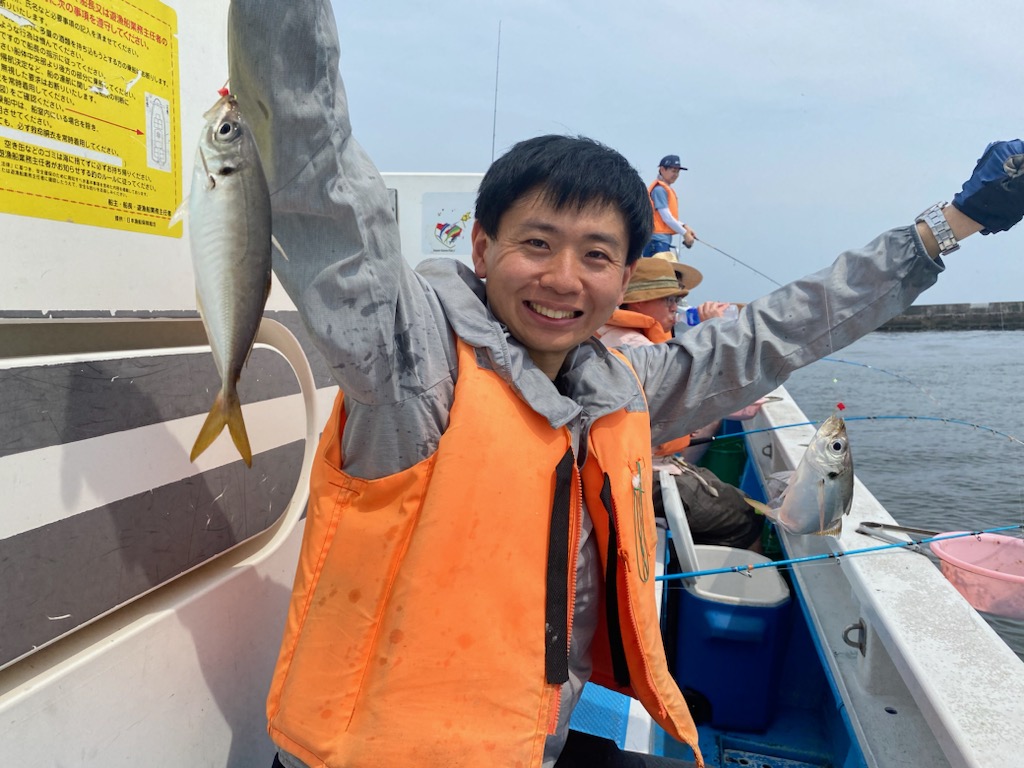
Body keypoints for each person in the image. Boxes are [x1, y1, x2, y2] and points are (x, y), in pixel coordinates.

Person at [228, 2, 1023, 766]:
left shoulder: (618, 385)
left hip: (529, 743)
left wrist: (945, 227)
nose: (563, 278)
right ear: (481, 247)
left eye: (597, 256)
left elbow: (774, 332)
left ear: (624, 275)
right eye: (537, 243)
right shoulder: (409, 363)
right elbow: (317, 170)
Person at [597, 260, 765, 551]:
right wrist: (712, 327)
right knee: (748, 516)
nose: (676, 307)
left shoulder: (610, 334)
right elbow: (695, 392)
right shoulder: (637, 348)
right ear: (638, 301)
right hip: (640, 475)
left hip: (632, 465)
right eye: (669, 299)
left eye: (677, 300)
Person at [642, 155, 696, 258]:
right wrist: (685, 233)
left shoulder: (665, 189)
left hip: (661, 242)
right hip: (656, 243)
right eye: (673, 171)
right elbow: (666, 217)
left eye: (677, 172)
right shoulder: (659, 190)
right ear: (662, 169)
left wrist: (684, 226)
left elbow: (666, 217)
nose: (676, 175)